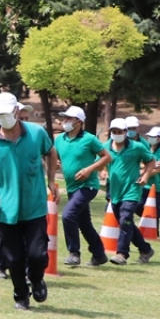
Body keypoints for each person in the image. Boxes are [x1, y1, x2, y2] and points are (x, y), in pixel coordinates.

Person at [0, 92, 58, 311]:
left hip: (34, 207)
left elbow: (51, 152)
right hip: (4, 210)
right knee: (14, 258)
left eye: (6, 113)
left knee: (37, 254)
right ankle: (21, 295)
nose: (3, 118)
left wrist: (51, 181)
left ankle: (37, 279)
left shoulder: (37, 133)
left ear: (16, 112)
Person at [52, 105, 111, 267]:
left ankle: (74, 253)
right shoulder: (59, 139)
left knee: (68, 215)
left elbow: (107, 157)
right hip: (72, 187)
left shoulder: (89, 139)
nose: (64, 121)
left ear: (79, 122)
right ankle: (99, 255)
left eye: (68, 119)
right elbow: (53, 157)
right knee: (84, 223)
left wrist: (89, 169)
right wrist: (54, 163)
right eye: (64, 118)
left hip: (88, 185)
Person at [104, 118, 159, 264]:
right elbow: (100, 162)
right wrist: (101, 172)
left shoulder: (137, 146)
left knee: (125, 218)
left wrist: (146, 175)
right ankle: (145, 249)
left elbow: (151, 161)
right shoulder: (105, 147)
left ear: (126, 132)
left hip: (132, 190)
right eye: (114, 131)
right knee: (125, 222)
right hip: (115, 192)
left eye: (120, 132)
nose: (116, 134)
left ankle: (122, 254)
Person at [141, 126, 160, 235]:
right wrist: (150, 166)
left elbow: (158, 169)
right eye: (149, 136)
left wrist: (143, 170)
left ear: (159, 138)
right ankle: (145, 226)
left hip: (158, 187)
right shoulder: (145, 148)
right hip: (145, 185)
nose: (150, 138)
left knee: (156, 212)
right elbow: (140, 163)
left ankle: (154, 233)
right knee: (138, 206)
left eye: (153, 137)